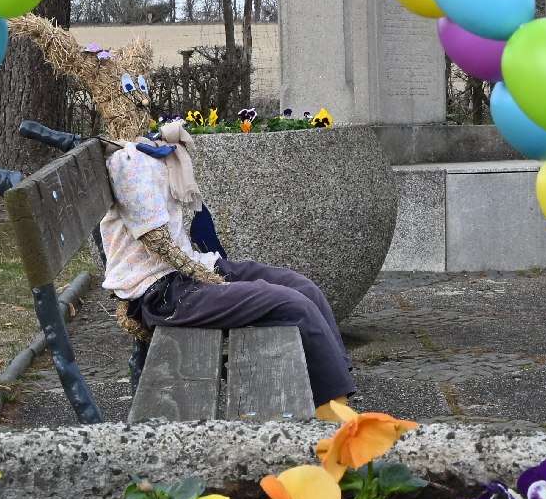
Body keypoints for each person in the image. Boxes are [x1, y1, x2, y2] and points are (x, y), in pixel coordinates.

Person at [99, 120, 357, 414]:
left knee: (302, 287)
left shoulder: (149, 150)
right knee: (294, 305)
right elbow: (154, 238)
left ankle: (340, 395)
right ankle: (335, 418)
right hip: (163, 292)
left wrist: (200, 269)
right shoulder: (126, 161)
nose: (140, 102)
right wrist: (203, 276)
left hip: (189, 270)